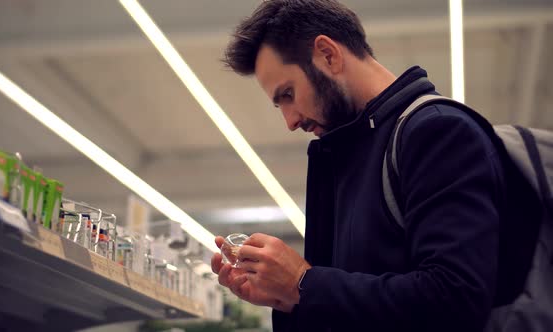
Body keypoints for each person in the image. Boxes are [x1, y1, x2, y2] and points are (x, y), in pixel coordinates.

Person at [210, 1, 540, 331]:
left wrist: (302, 283)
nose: (290, 121)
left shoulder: (436, 132)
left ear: (328, 54)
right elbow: (355, 305)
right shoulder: (347, 158)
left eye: (288, 94)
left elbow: (454, 298)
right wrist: (283, 296)